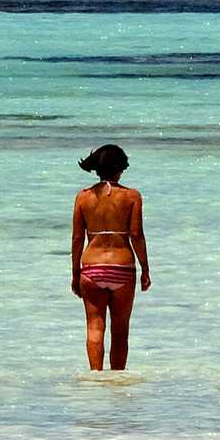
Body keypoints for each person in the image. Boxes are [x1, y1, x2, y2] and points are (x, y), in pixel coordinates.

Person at [69, 143, 150, 370]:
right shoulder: (132, 196)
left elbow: (77, 238)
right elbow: (136, 235)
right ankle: (117, 381)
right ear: (121, 167)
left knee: (94, 327)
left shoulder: (83, 197)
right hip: (122, 268)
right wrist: (145, 269)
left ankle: (95, 378)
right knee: (120, 330)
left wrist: (75, 273)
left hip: (92, 268)